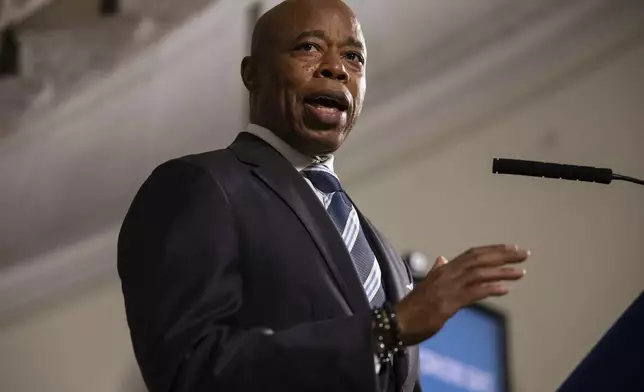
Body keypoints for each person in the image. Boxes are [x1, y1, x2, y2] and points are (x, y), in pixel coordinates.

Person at [117, 0, 530, 391]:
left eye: (354, 57)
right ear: (252, 74)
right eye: (309, 48)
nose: (336, 68)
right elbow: (190, 370)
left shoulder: (380, 251)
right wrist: (386, 329)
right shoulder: (197, 186)